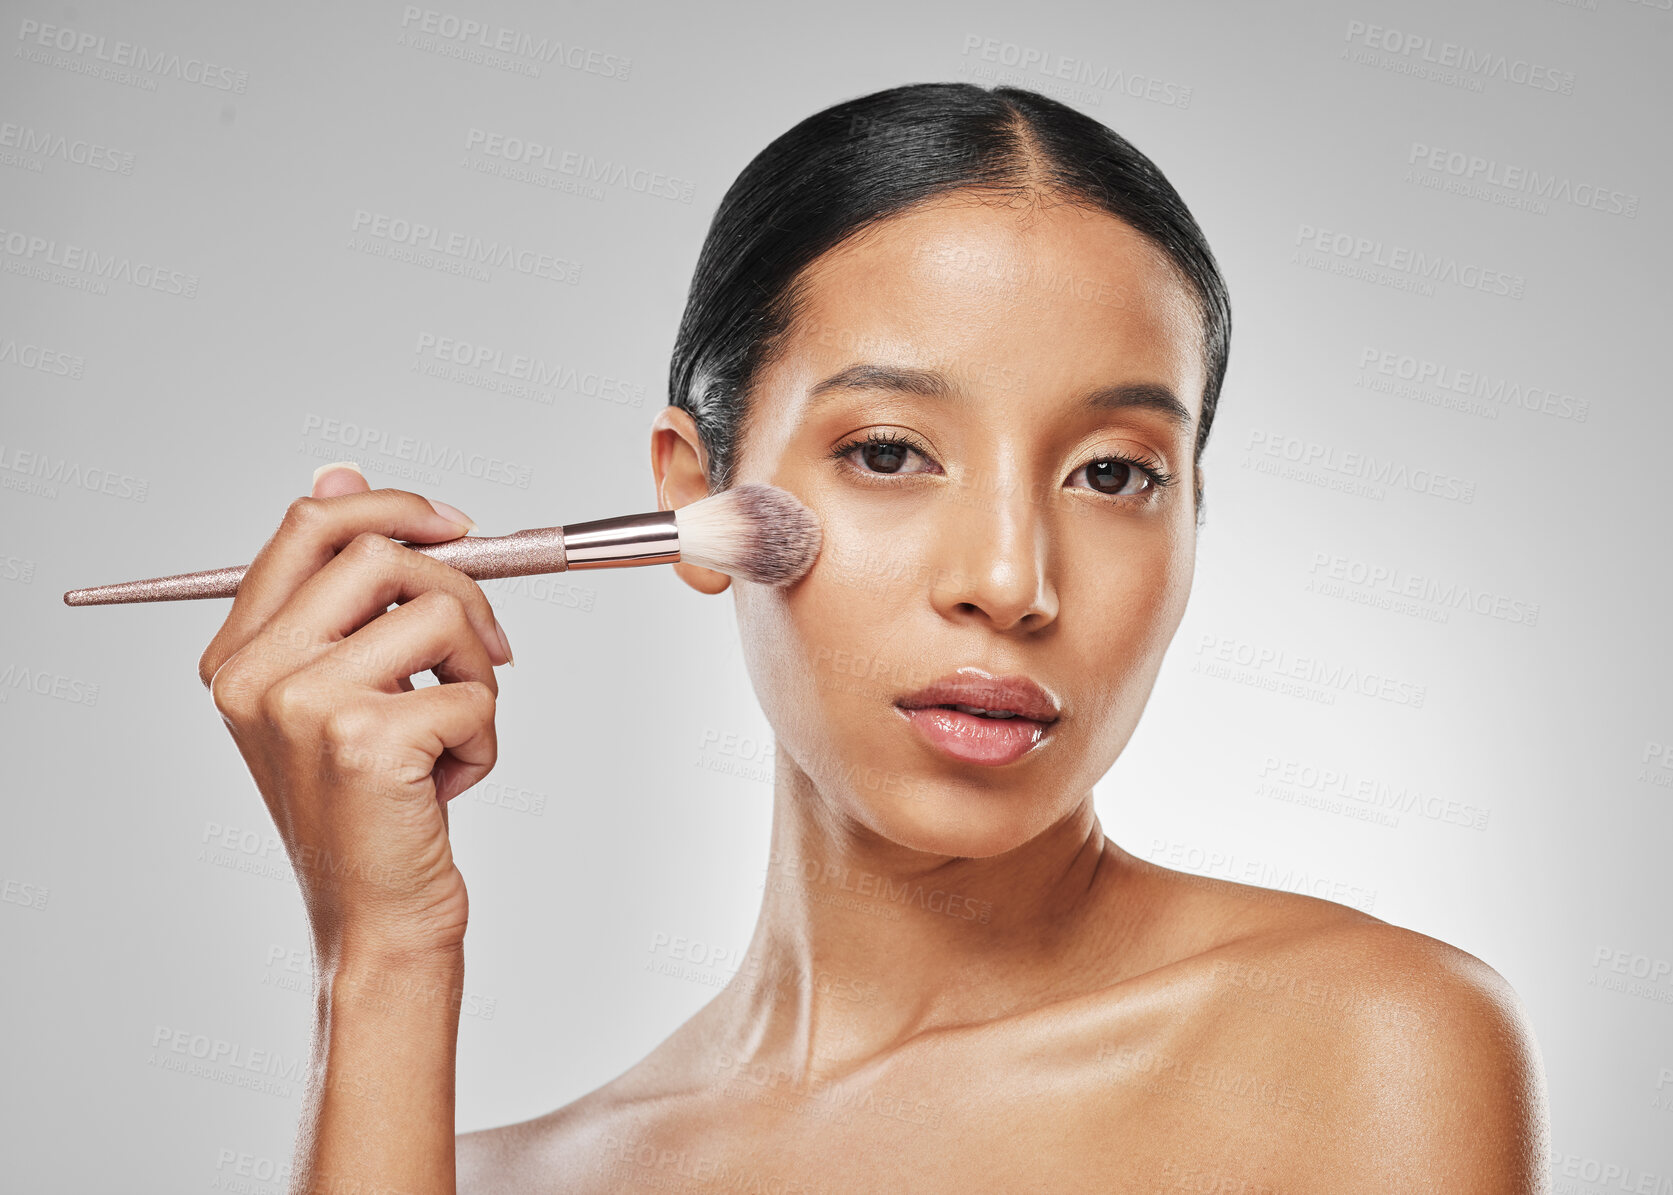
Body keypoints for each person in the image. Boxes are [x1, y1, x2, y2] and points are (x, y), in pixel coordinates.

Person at [198, 82, 1549, 1193]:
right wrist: (379, 959)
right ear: (693, 495)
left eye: (1112, 473)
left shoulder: (1360, 1045)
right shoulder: (492, 1177)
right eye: (892, 452)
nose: (1009, 580)